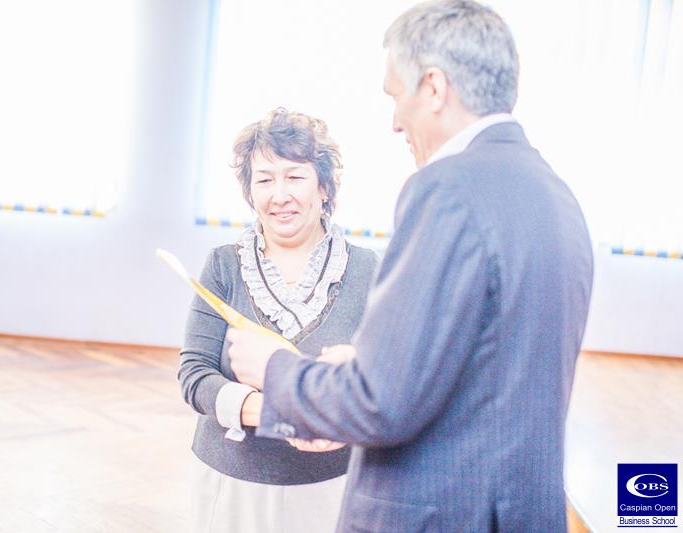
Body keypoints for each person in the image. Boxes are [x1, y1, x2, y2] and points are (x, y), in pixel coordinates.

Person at [227, 2, 594, 531]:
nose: (395, 121)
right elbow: (493, 366)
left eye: (396, 96)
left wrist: (275, 369)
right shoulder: (554, 193)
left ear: (434, 87)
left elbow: (379, 403)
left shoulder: (446, 189)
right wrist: (371, 360)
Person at [178, 108, 378, 532]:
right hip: (230, 485)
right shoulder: (223, 266)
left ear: (324, 187)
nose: (279, 195)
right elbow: (194, 375)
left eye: (295, 177)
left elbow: (378, 377)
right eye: (265, 180)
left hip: (332, 488)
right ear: (250, 192)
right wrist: (276, 411)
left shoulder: (368, 271)